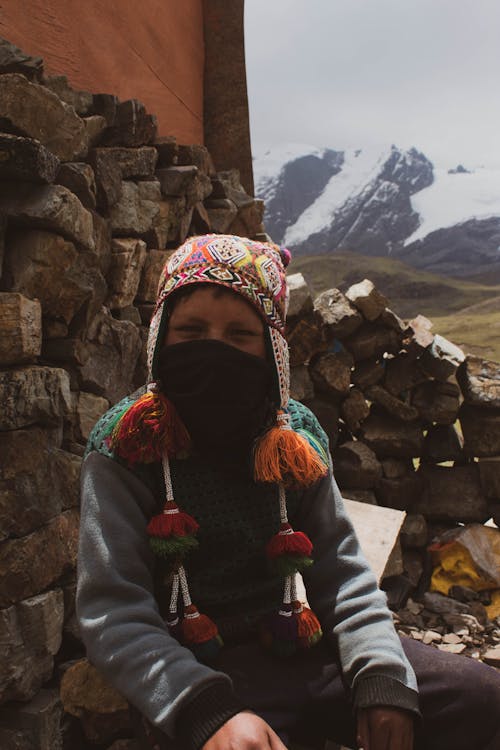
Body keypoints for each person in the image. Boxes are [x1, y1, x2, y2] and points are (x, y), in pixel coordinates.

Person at [77, 234, 500, 750]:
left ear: (272, 347)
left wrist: (381, 674)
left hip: (295, 643)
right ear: (159, 339)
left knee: (481, 698)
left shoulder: (293, 438)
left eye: (239, 334)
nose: (213, 348)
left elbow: (343, 574)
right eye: (190, 330)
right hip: (187, 670)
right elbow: (113, 613)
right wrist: (206, 712)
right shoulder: (125, 446)